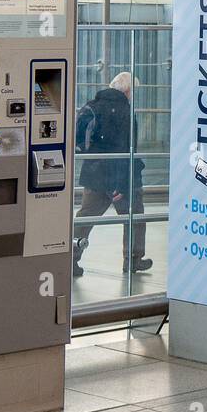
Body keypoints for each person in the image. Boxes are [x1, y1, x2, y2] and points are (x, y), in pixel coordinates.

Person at [73, 72, 151, 278]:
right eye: (133, 91)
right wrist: (118, 184)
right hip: (121, 177)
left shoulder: (94, 105)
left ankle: (70, 257)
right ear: (127, 90)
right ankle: (133, 260)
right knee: (135, 217)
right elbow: (123, 149)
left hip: (94, 174)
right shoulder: (124, 110)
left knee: (85, 217)